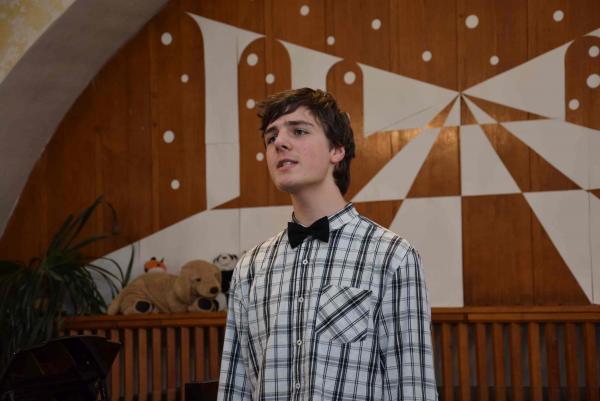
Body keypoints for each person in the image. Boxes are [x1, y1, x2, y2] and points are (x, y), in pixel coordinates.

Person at [217, 88, 437, 401]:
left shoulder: (392, 257)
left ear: (336, 150)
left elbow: (412, 388)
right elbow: (235, 388)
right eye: (271, 137)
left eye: (298, 131)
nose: (279, 142)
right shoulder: (249, 269)